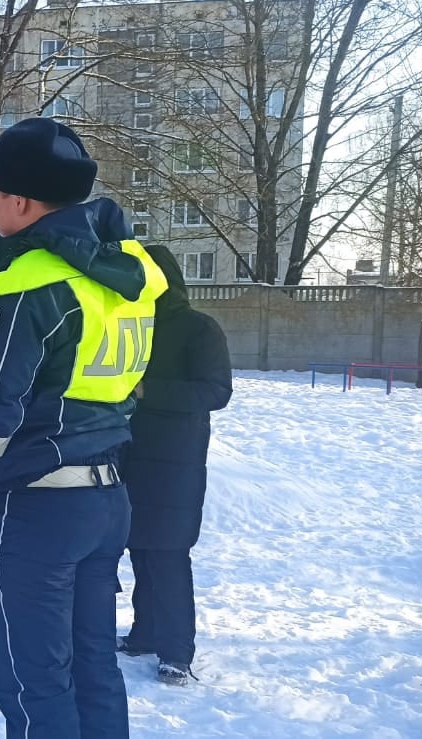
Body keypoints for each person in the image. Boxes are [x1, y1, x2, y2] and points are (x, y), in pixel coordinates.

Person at [0, 118, 166, 738]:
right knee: (94, 671)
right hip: (106, 499)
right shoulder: (126, 278)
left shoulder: (25, 289)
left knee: (34, 687)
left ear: (22, 201)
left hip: (35, 508)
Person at [119, 245, 233, 686]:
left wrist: (149, 391)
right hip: (130, 453)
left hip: (176, 462)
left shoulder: (198, 328)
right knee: (140, 550)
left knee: (167, 555)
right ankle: (145, 633)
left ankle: (176, 652)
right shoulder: (133, 325)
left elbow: (216, 392)